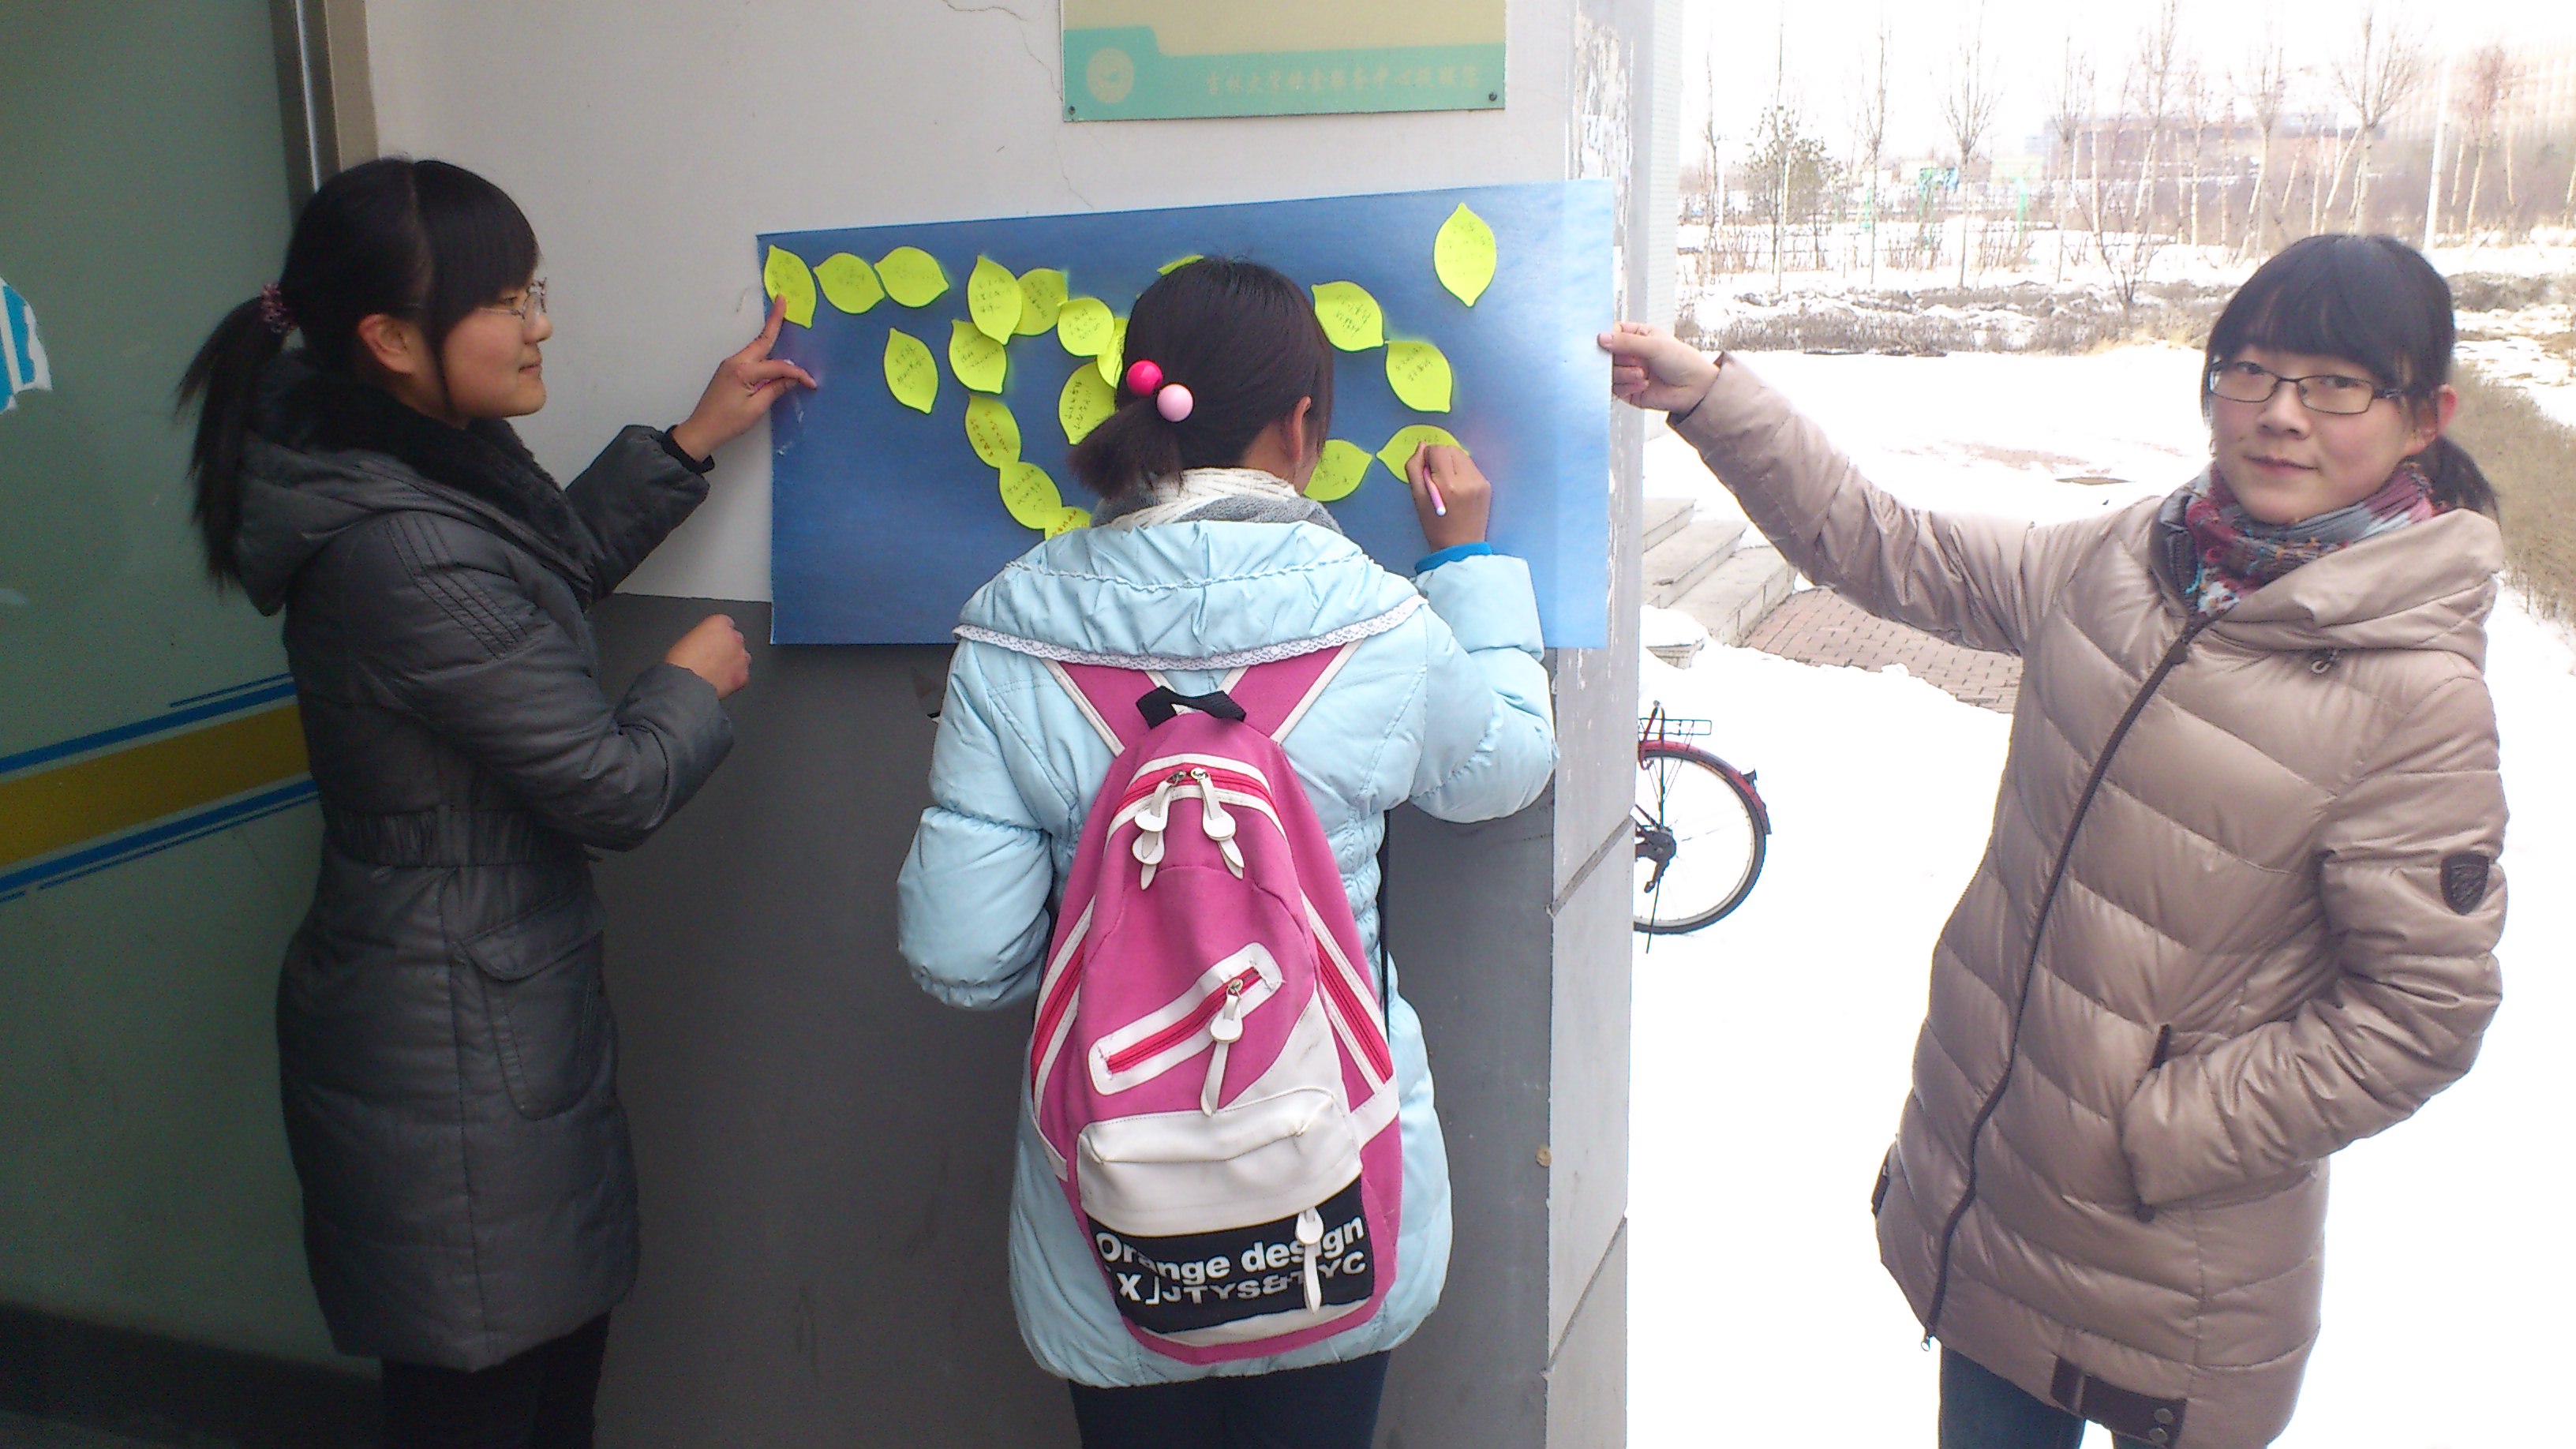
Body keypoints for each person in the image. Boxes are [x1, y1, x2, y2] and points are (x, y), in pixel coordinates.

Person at [1602, 233, 2507, 1449]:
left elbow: (2421, 1014)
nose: (2282, 414)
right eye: (2251, 371)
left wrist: (2162, 1131)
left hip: (2170, 1261)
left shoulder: (2416, 695)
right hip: (1998, 1194)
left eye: (2337, 385)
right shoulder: (2132, 561)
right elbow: (1891, 548)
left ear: (2424, 419)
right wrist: (1711, 399)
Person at [178, 155, 813, 1448]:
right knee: (485, 1393)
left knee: (541, 1371)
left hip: (474, 1005)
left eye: (537, 290)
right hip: (450, 1037)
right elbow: (609, 785)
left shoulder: (409, 466)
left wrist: (689, 442)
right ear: (389, 339)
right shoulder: (398, 542)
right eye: (507, 301)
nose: (541, 326)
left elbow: (523, 585)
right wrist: (687, 684)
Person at [896, 258, 1556, 1448]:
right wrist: (1465, 563)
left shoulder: (1008, 633)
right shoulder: (1379, 619)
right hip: (1332, 1179)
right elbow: (1505, 766)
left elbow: (963, 955)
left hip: (1115, 1214)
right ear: (1301, 426)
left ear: (1135, 406)